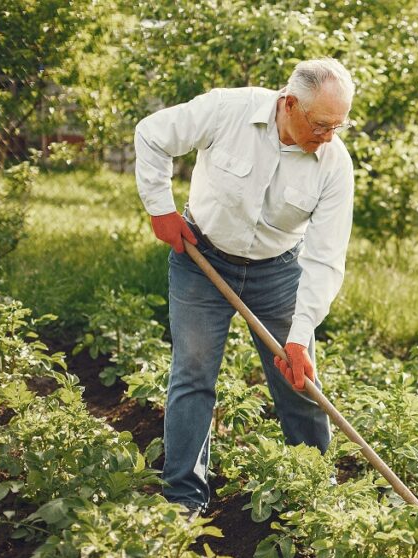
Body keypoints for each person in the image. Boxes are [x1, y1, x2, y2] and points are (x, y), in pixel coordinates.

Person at [133, 58, 356, 514]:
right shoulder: (228, 111)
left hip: (278, 271)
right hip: (202, 257)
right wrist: (161, 208)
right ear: (289, 104)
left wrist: (298, 336)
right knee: (193, 373)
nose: (329, 136)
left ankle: (316, 490)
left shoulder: (334, 164)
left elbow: (325, 258)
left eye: (339, 125)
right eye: (321, 124)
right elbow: (152, 133)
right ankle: (183, 498)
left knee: (299, 380)